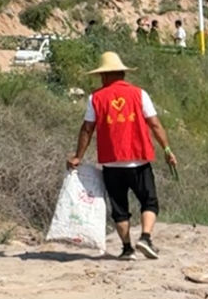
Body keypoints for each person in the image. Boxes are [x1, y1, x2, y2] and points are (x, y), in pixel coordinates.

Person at [67, 51, 178, 261]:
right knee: (149, 202)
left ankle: (127, 249)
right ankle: (145, 237)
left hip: (112, 163)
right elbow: (154, 124)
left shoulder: (95, 98)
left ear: (105, 75)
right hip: (139, 159)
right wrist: (167, 150)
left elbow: (87, 129)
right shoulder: (139, 94)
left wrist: (78, 157)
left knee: (119, 208)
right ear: (121, 73)